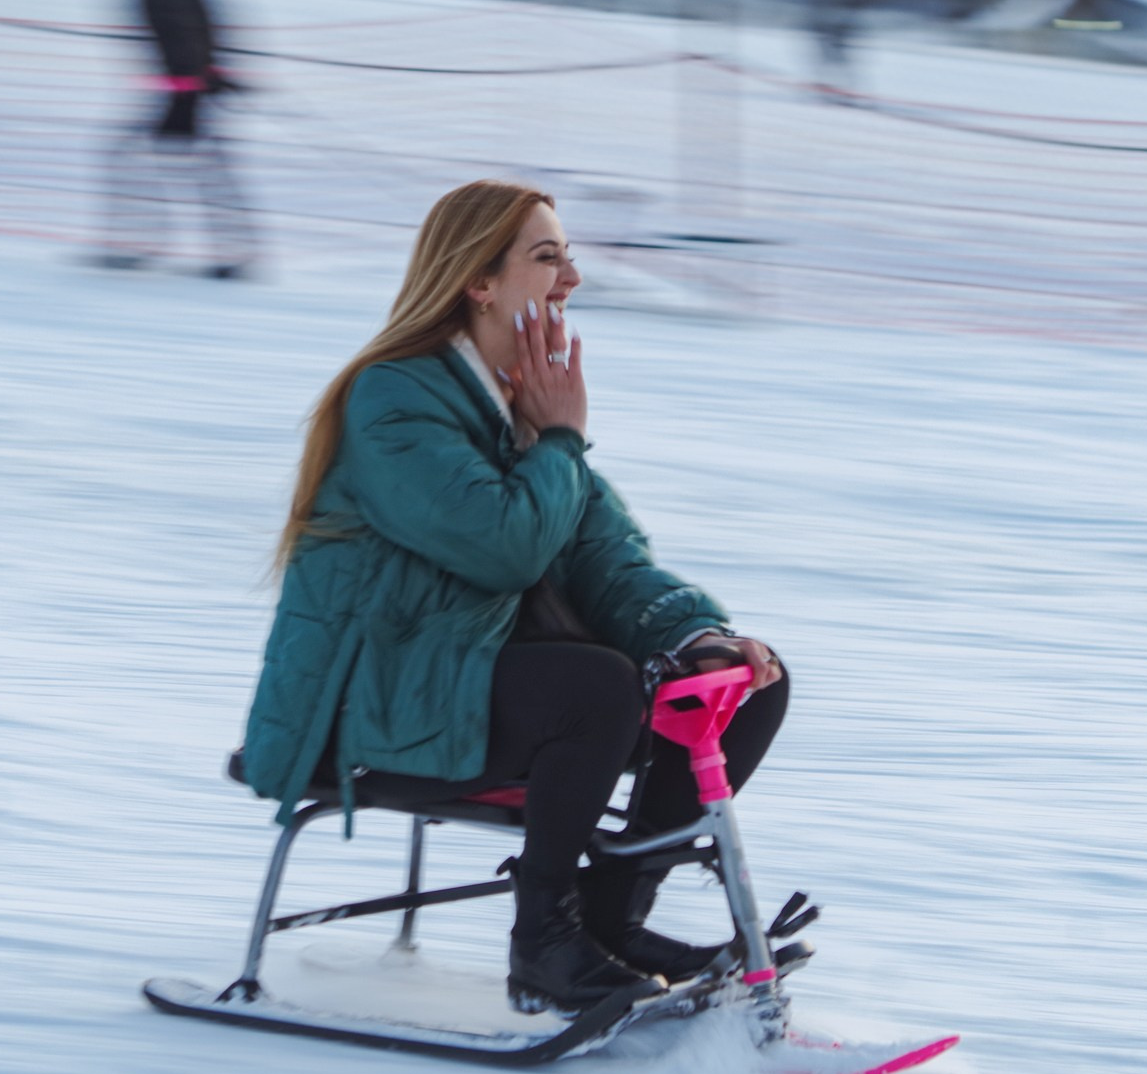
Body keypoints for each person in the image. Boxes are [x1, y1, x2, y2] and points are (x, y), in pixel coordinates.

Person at [238, 179, 787, 1014]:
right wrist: (559, 436)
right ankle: (545, 945)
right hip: (369, 701)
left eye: (567, 258)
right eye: (546, 258)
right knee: (594, 688)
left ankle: (609, 917)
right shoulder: (394, 398)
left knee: (740, 689)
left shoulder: (514, 400)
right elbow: (503, 546)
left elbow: (608, 558)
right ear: (478, 281)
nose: (571, 280)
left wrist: (700, 636)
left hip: (462, 679)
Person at [98, 0, 259, 278]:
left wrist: (200, 81)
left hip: (184, 92)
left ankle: (150, 243)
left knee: (138, 160)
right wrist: (214, 76)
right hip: (188, 89)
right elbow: (203, 36)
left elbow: (185, 41)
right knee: (200, 167)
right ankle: (231, 250)